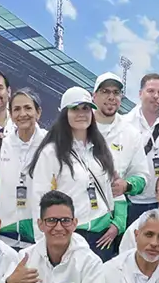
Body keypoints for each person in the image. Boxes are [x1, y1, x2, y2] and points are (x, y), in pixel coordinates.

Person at [28, 87, 126, 260]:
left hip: (103, 239)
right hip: (69, 237)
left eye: (86, 108)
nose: (81, 114)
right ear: (64, 113)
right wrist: (43, 245)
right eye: (75, 109)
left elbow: (116, 189)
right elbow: (39, 200)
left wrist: (117, 224)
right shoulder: (51, 152)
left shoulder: (100, 149)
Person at [0, 89, 48, 247]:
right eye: (16, 109)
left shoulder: (51, 146)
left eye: (28, 108)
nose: (22, 114)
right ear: (10, 115)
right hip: (3, 237)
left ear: (38, 112)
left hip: (39, 238)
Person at [120, 73, 159, 223]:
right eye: (151, 91)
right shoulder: (124, 123)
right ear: (140, 93)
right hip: (130, 201)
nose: (156, 96)